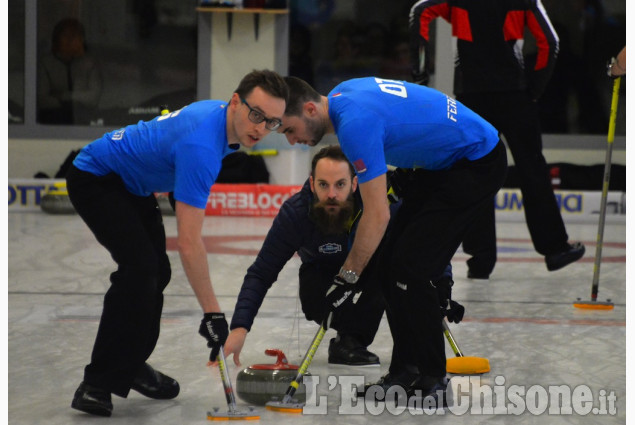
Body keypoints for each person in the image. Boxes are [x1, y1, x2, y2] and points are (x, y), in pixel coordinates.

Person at [65, 70, 288, 417]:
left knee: (158, 271)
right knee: (139, 270)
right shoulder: (203, 145)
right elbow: (189, 243)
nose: (260, 128)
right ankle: (97, 382)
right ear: (234, 101)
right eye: (255, 114)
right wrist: (213, 313)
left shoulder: (223, 124)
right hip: (96, 178)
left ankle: (130, 363)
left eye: (271, 122)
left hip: (132, 185)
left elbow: (169, 145)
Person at [277, 75, 502, 405]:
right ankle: (404, 371)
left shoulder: (353, 124)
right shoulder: (342, 96)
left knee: (412, 269)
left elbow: (377, 213)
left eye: (288, 129)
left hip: (475, 161)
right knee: (387, 265)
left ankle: (433, 378)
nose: (291, 140)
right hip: (440, 164)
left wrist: (347, 276)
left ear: (310, 109)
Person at [409, 0, 586, 280]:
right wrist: (535, 88)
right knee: (533, 170)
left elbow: (419, 11)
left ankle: (480, 260)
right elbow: (550, 43)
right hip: (516, 95)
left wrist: (420, 71)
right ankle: (554, 249)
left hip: (472, 96)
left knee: (476, 174)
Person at [224, 145, 385, 367]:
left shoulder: (375, 206)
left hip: (367, 274)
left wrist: (438, 290)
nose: (331, 195)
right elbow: (261, 272)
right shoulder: (295, 213)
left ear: (354, 184)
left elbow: (416, 248)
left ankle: (358, 342)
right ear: (311, 183)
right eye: (323, 185)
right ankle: (344, 335)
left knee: (393, 270)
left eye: (340, 185)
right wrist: (239, 328)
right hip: (321, 275)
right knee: (312, 290)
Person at [37, 18, 103, 125]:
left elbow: (93, 98)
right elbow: (41, 99)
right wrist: (73, 101)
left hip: (85, 120)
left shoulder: (89, 63)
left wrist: (64, 96)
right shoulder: (46, 63)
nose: (70, 40)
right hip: (50, 121)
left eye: (75, 36)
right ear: (56, 39)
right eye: (66, 36)